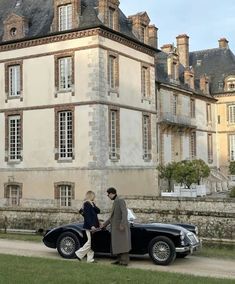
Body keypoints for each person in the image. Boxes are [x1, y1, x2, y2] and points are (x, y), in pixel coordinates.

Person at [102, 187, 131, 266]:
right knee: (118, 244)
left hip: (121, 228)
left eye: (108, 195)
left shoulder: (120, 200)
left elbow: (124, 213)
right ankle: (119, 260)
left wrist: (122, 224)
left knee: (123, 244)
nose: (108, 196)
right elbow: (112, 217)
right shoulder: (116, 201)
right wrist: (104, 224)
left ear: (112, 193)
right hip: (116, 228)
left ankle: (124, 262)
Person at [75, 190, 100, 263]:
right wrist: (92, 225)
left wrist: (93, 205)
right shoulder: (86, 204)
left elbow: (98, 211)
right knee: (90, 242)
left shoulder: (91, 204)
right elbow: (87, 217)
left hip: (93, 226)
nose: (95, 197)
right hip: (90, 226)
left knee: (91, 242)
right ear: (91, 196)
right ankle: (78, 254)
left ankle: (90, 259)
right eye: (94, 196)